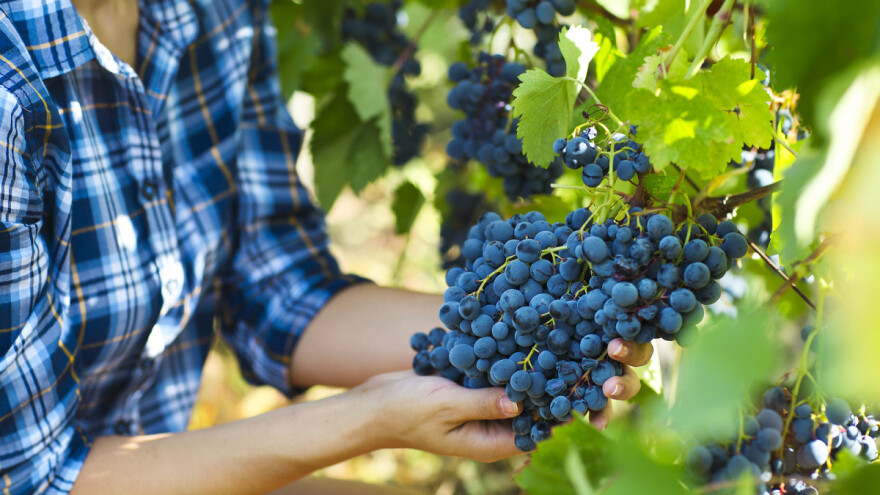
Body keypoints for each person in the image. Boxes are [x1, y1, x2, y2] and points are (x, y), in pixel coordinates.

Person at [0, 0, 653, 493]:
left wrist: (542, 322)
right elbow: (34, 481)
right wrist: (367, 418)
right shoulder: (9, 86)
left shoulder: (215, 12)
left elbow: (277, 285)